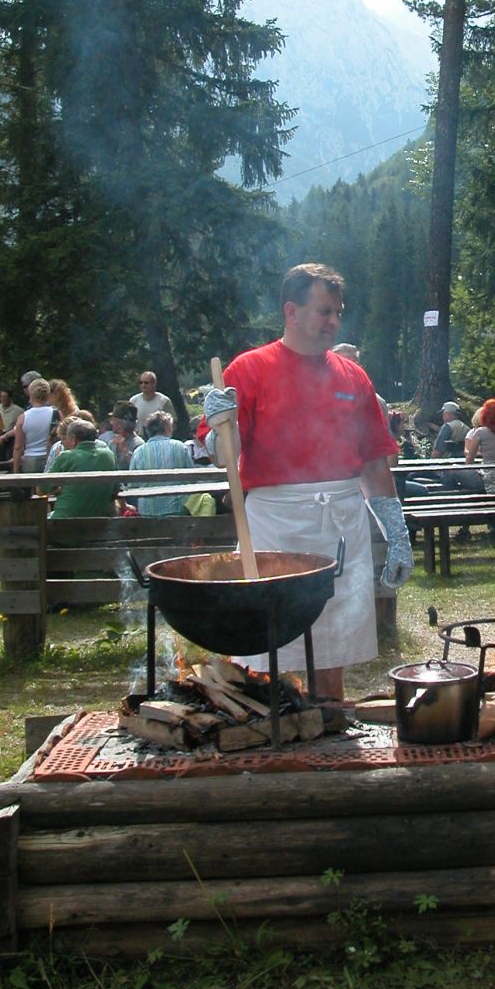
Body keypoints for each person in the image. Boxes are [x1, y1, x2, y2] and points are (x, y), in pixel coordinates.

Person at [202, 263, 413, 701]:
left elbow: (374, 461)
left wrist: (396, 531)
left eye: (338, 312)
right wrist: (219, 420)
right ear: (291, 312)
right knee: (264, 642)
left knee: (332, 638)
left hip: (341, 520)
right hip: (273, 523)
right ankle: (264, 727)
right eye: (324, 312)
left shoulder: (353, 377)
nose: (334, 322)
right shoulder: (249, 369)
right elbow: (225, 453)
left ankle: (330, 721)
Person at [44, 418, 119, 519]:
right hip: (100, 521)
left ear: (74, 439)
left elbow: (43, 488)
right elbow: (116, 489)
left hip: (65, 521)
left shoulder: (65, 456)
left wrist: (60, 488)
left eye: (65, 438)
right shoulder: (109, 455)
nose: (63, 443)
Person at [128, 410, 191, 516]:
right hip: (177, 508)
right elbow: (192, 478)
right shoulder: (180, 447)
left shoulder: (138, 451)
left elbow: (132, 484)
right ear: (167, 428)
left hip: (147, 511)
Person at [12, 379, 58, 473]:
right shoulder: (56, 414)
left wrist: (15, 471)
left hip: (30, 460)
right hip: (51, 458)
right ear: (47, 394)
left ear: (30, 394)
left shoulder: (23, 418)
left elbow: (18, 447)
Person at [131, 372, 174, 437]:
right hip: (139, 438)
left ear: (154, 383)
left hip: (159, 438)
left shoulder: (164, 401)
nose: (143, 385)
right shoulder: (133, 401)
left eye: (146, 383)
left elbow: (171, 423)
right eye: (141, 382)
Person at [103, 402, 143, 468]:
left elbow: (139, 468)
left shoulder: (138, 445)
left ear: (120, 424)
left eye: (113, 420)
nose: (111, 423)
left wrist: (124, 449)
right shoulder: (107, 440)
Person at [0, 388, 23, 460]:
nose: (3, 399)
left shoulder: (18, 410)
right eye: (1, 397)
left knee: (10, 456)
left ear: (10, 398)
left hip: (12, 437)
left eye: (5, 397)